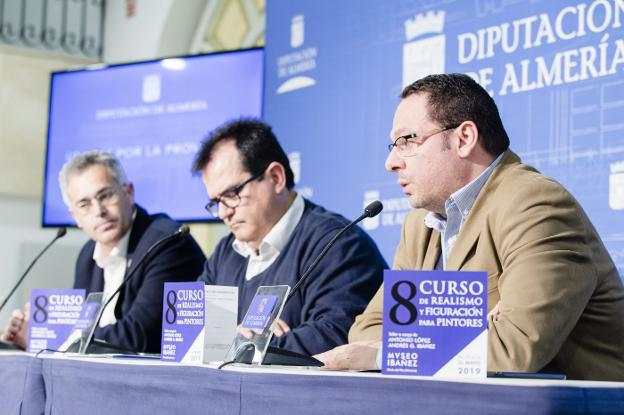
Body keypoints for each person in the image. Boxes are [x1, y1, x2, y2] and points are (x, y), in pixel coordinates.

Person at [315, 73, 624, 381]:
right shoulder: (419, 225)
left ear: (464, 138)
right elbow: (368, 327)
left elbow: (514, 348)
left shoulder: (534, 203)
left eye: (407, 140)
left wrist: (387, 353)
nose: (392, 162)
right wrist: (471, 331)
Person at [194, 119, 386, 356]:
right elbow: (194, 333)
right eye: (215, 202)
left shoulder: (338, 243)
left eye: (232, 194)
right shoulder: (226, 252)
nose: (223, 213)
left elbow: (336, 335)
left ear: (275, 177)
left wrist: (249, 345)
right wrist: (241, 341)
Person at [1, 150, 206, 353]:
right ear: (75, 217)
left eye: (105, 195)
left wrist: (53, 338)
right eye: (84, 204)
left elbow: (139, 336)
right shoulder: (87, 255)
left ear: (129, 192)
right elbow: (82, 327)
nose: (99, 211)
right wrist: (35, 333)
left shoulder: (167, 242)